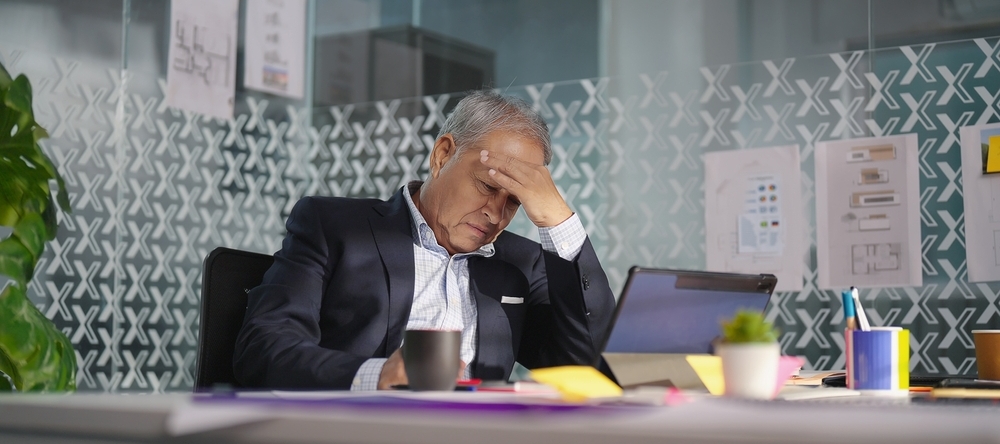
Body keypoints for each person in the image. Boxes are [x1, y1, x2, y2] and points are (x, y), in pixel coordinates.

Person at [233, 90, 615, 390]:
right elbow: (264, 348)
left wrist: (557, 221)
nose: (495, 214)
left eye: (514, 201)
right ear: (443, 154)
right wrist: (378, 376)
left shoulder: (519, 263)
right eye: (487, 186)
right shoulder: (334, 227)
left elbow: (586, 361)